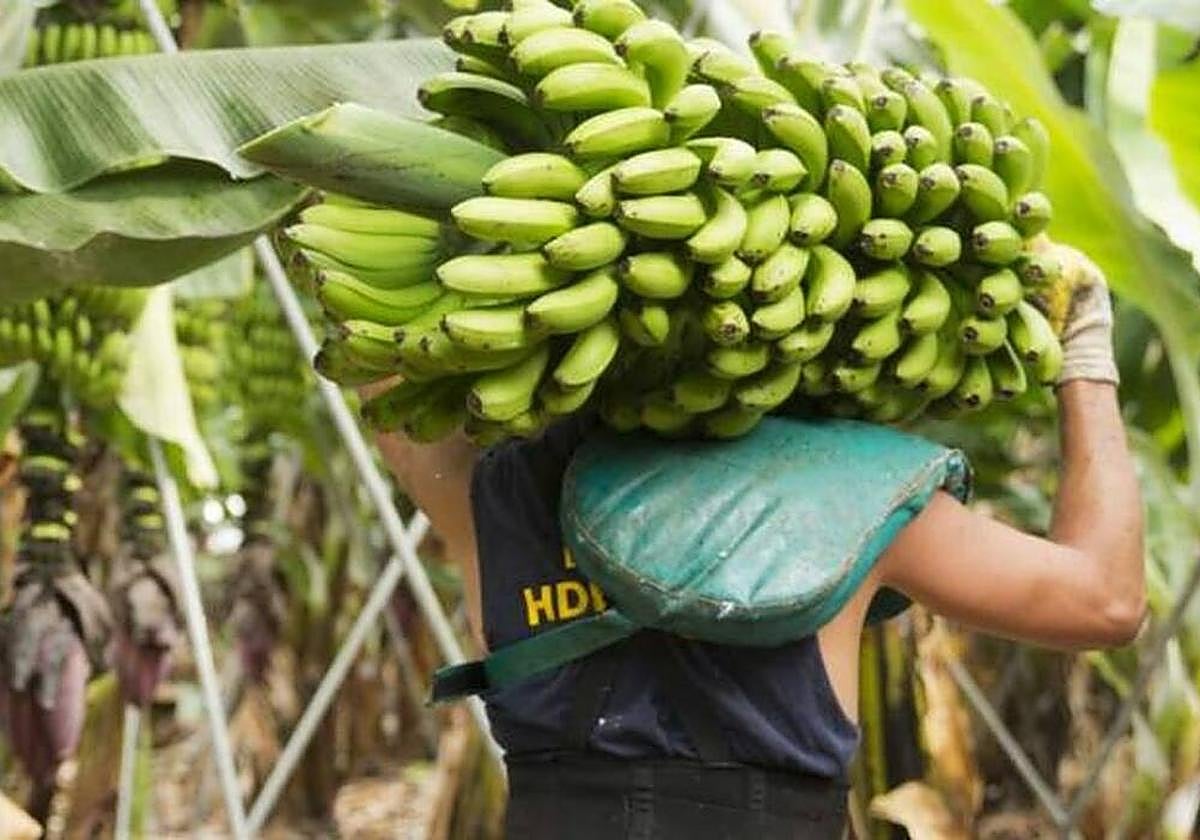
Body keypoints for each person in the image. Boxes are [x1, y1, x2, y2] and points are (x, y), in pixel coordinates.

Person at [374, 241, 1144, 839]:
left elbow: (378, 371)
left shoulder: (500, 493)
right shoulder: (856, 492)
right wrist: (1082, 355)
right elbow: (1105, 601)